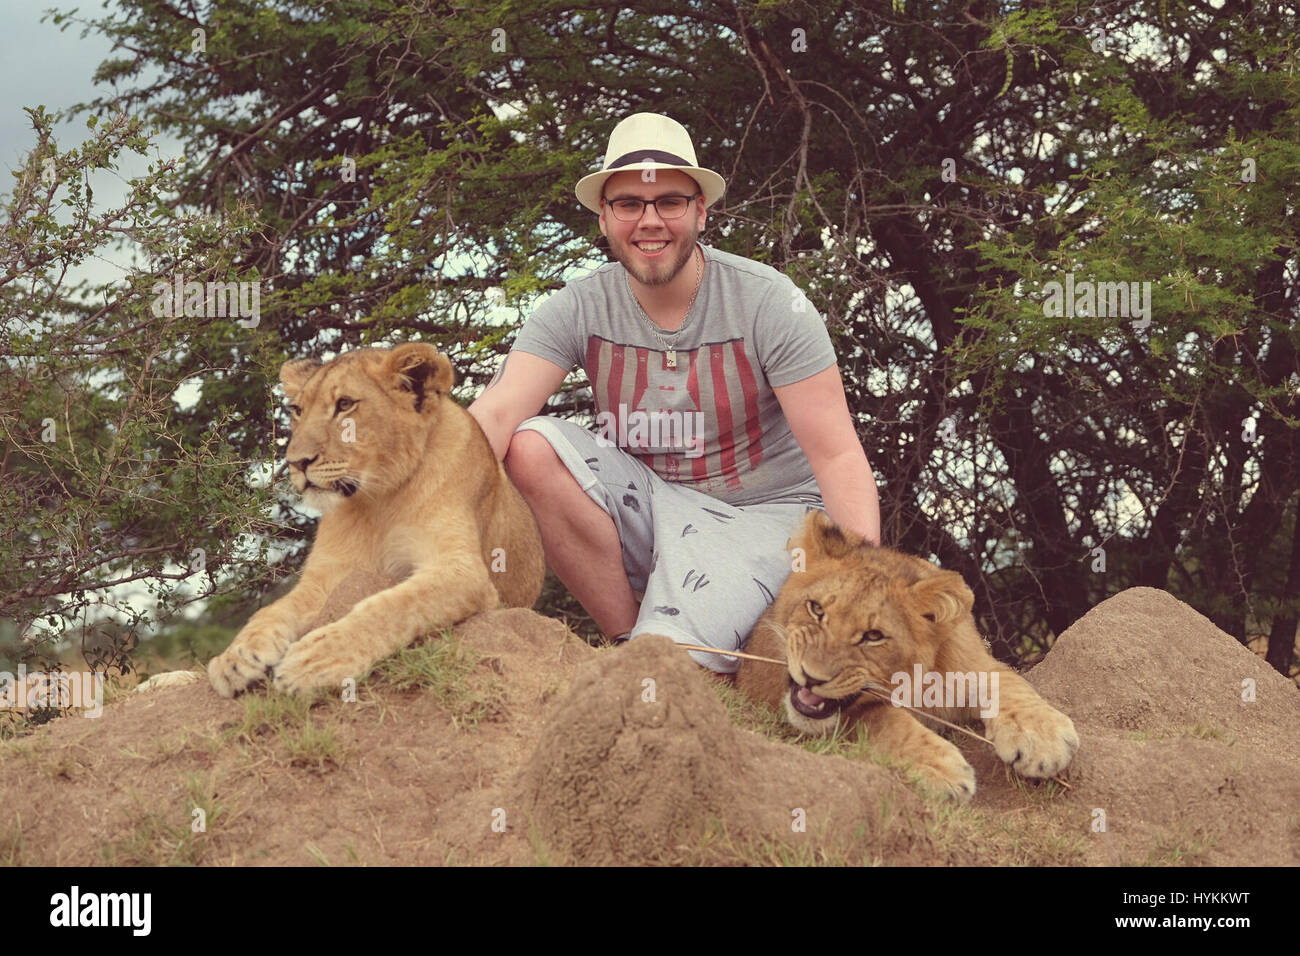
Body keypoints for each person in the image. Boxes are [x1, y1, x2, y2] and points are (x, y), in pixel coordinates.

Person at [468, 112, 880, 673]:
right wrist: (416, 506)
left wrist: (859, 581)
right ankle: (623, 641)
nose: (650, 221)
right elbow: (495, 413)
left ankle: (664, 651)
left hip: (772, 512)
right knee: (531, 445)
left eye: (669, 201)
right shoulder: (578, 305)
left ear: (700, 211)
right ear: (604, 218)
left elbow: (836, 453)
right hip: (658, 503)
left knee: (667, 659)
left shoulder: (768, 303)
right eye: (629, 205)